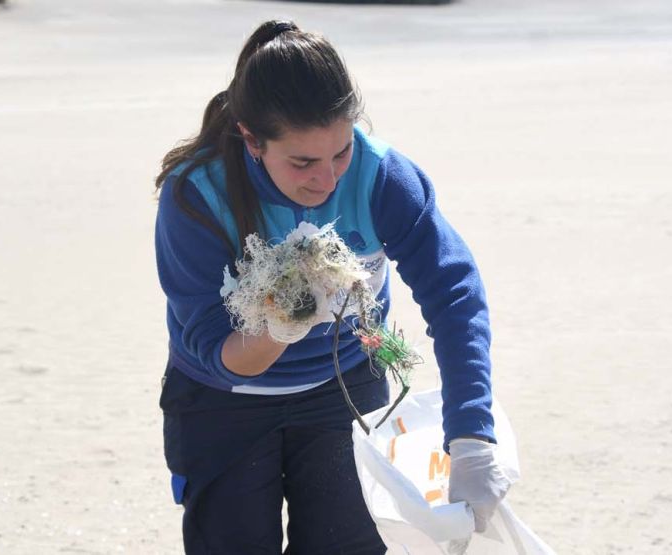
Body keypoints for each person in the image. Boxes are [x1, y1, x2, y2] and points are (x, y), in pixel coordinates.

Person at [154, 20, 508, 554]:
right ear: (252, 139)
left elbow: (453, 292)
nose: (328, 179)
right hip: (225, 402)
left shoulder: (381, 176)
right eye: (303, 162)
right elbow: (214, 350)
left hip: (347, 393)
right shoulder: (197, 197)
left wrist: (471, 432)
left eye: (340, 152)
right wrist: (281, 326)